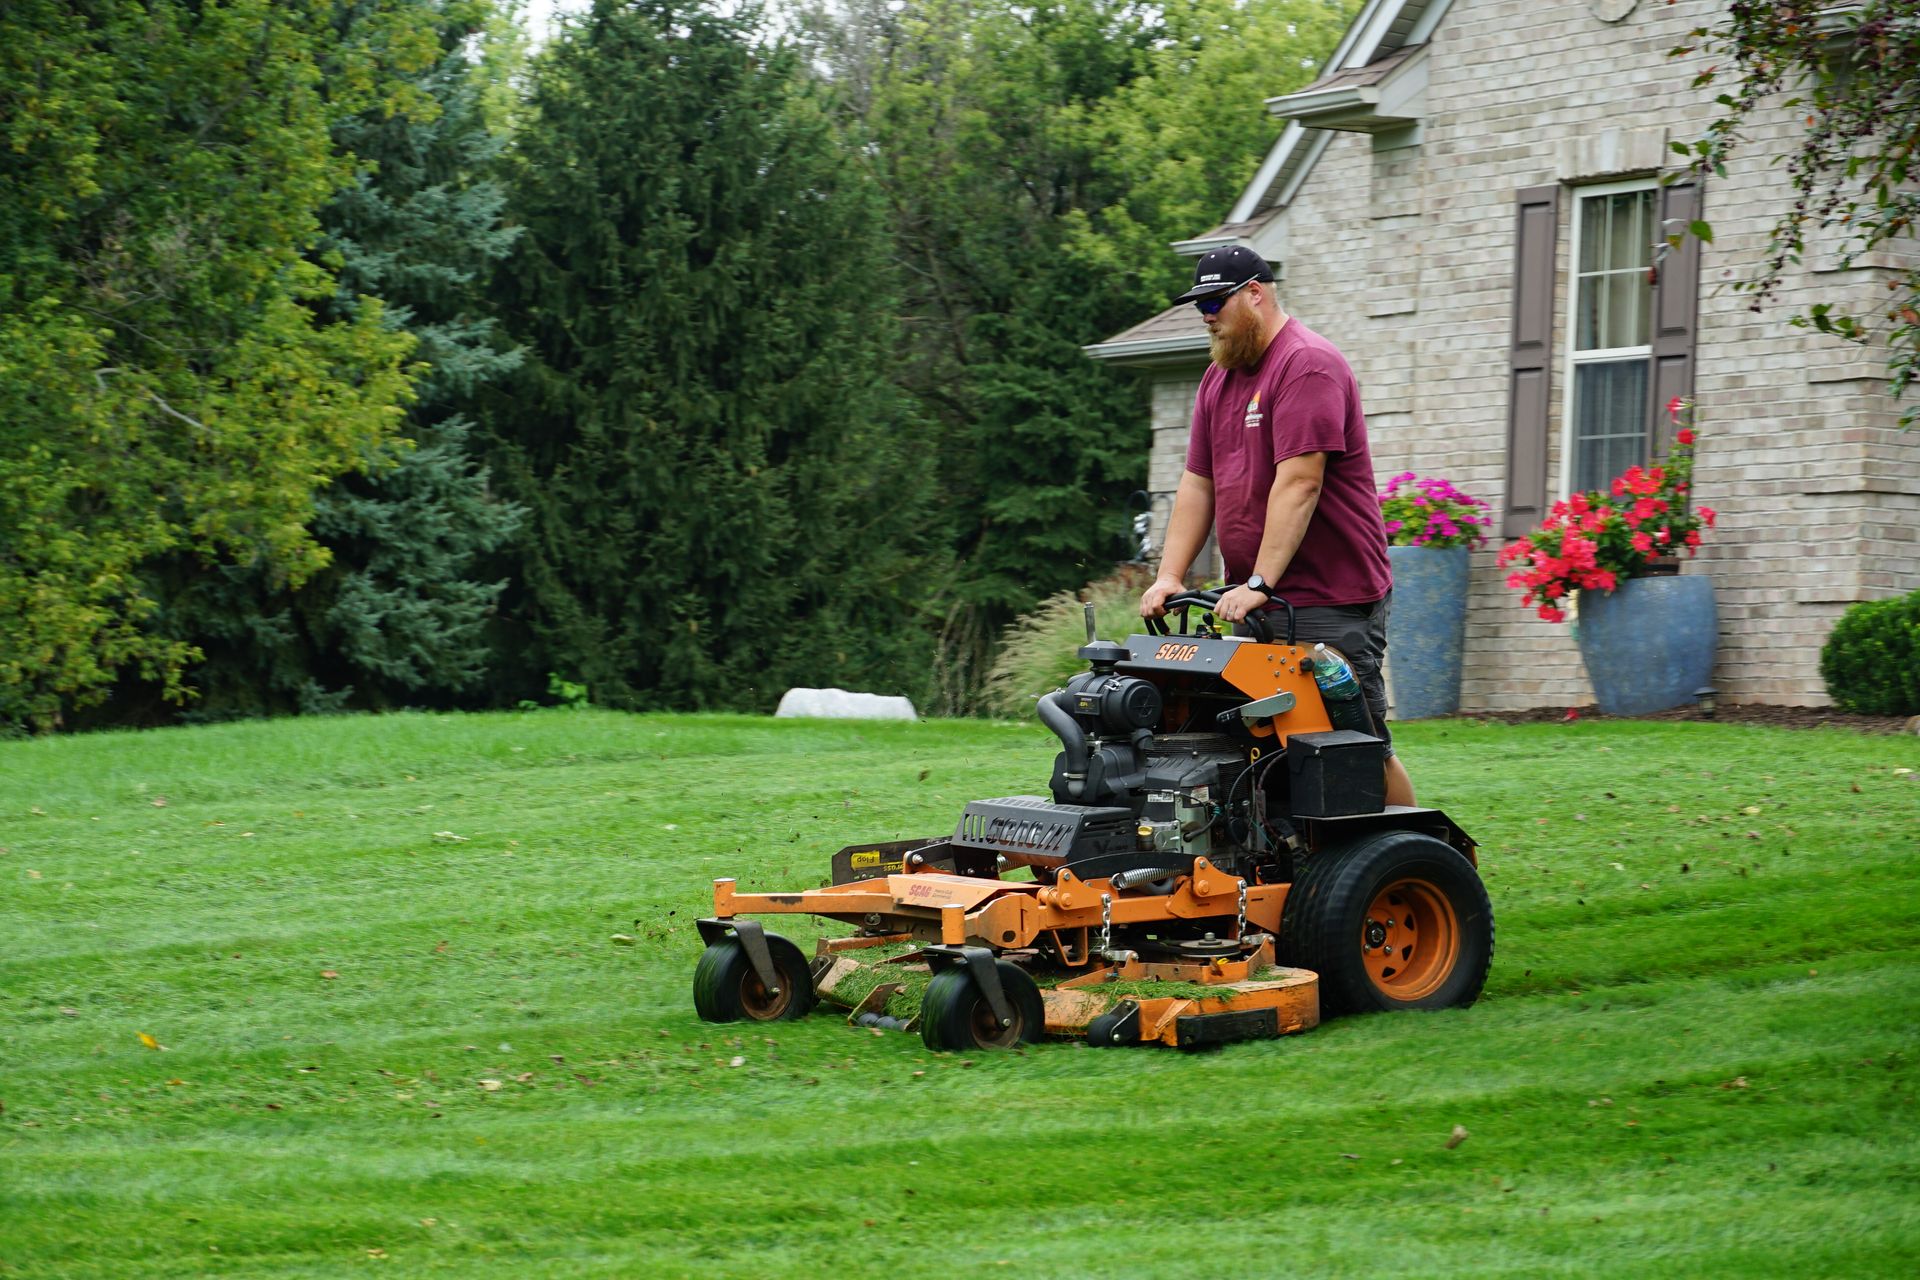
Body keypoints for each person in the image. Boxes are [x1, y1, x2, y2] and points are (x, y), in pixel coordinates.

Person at [1139, 245, 1414, 807]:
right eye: (1199, 304)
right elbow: (1198, 483)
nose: (1206, 314)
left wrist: (1260, 583)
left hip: (1328, 598)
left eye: (1215, 301)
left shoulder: (1307, 364)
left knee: (1351, 748)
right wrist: (1170, 576)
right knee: (1262, 751)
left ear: (1255, 294)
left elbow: (1301, 483)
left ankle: (1417, 857)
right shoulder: (1218, 379)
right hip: (1258, 601)